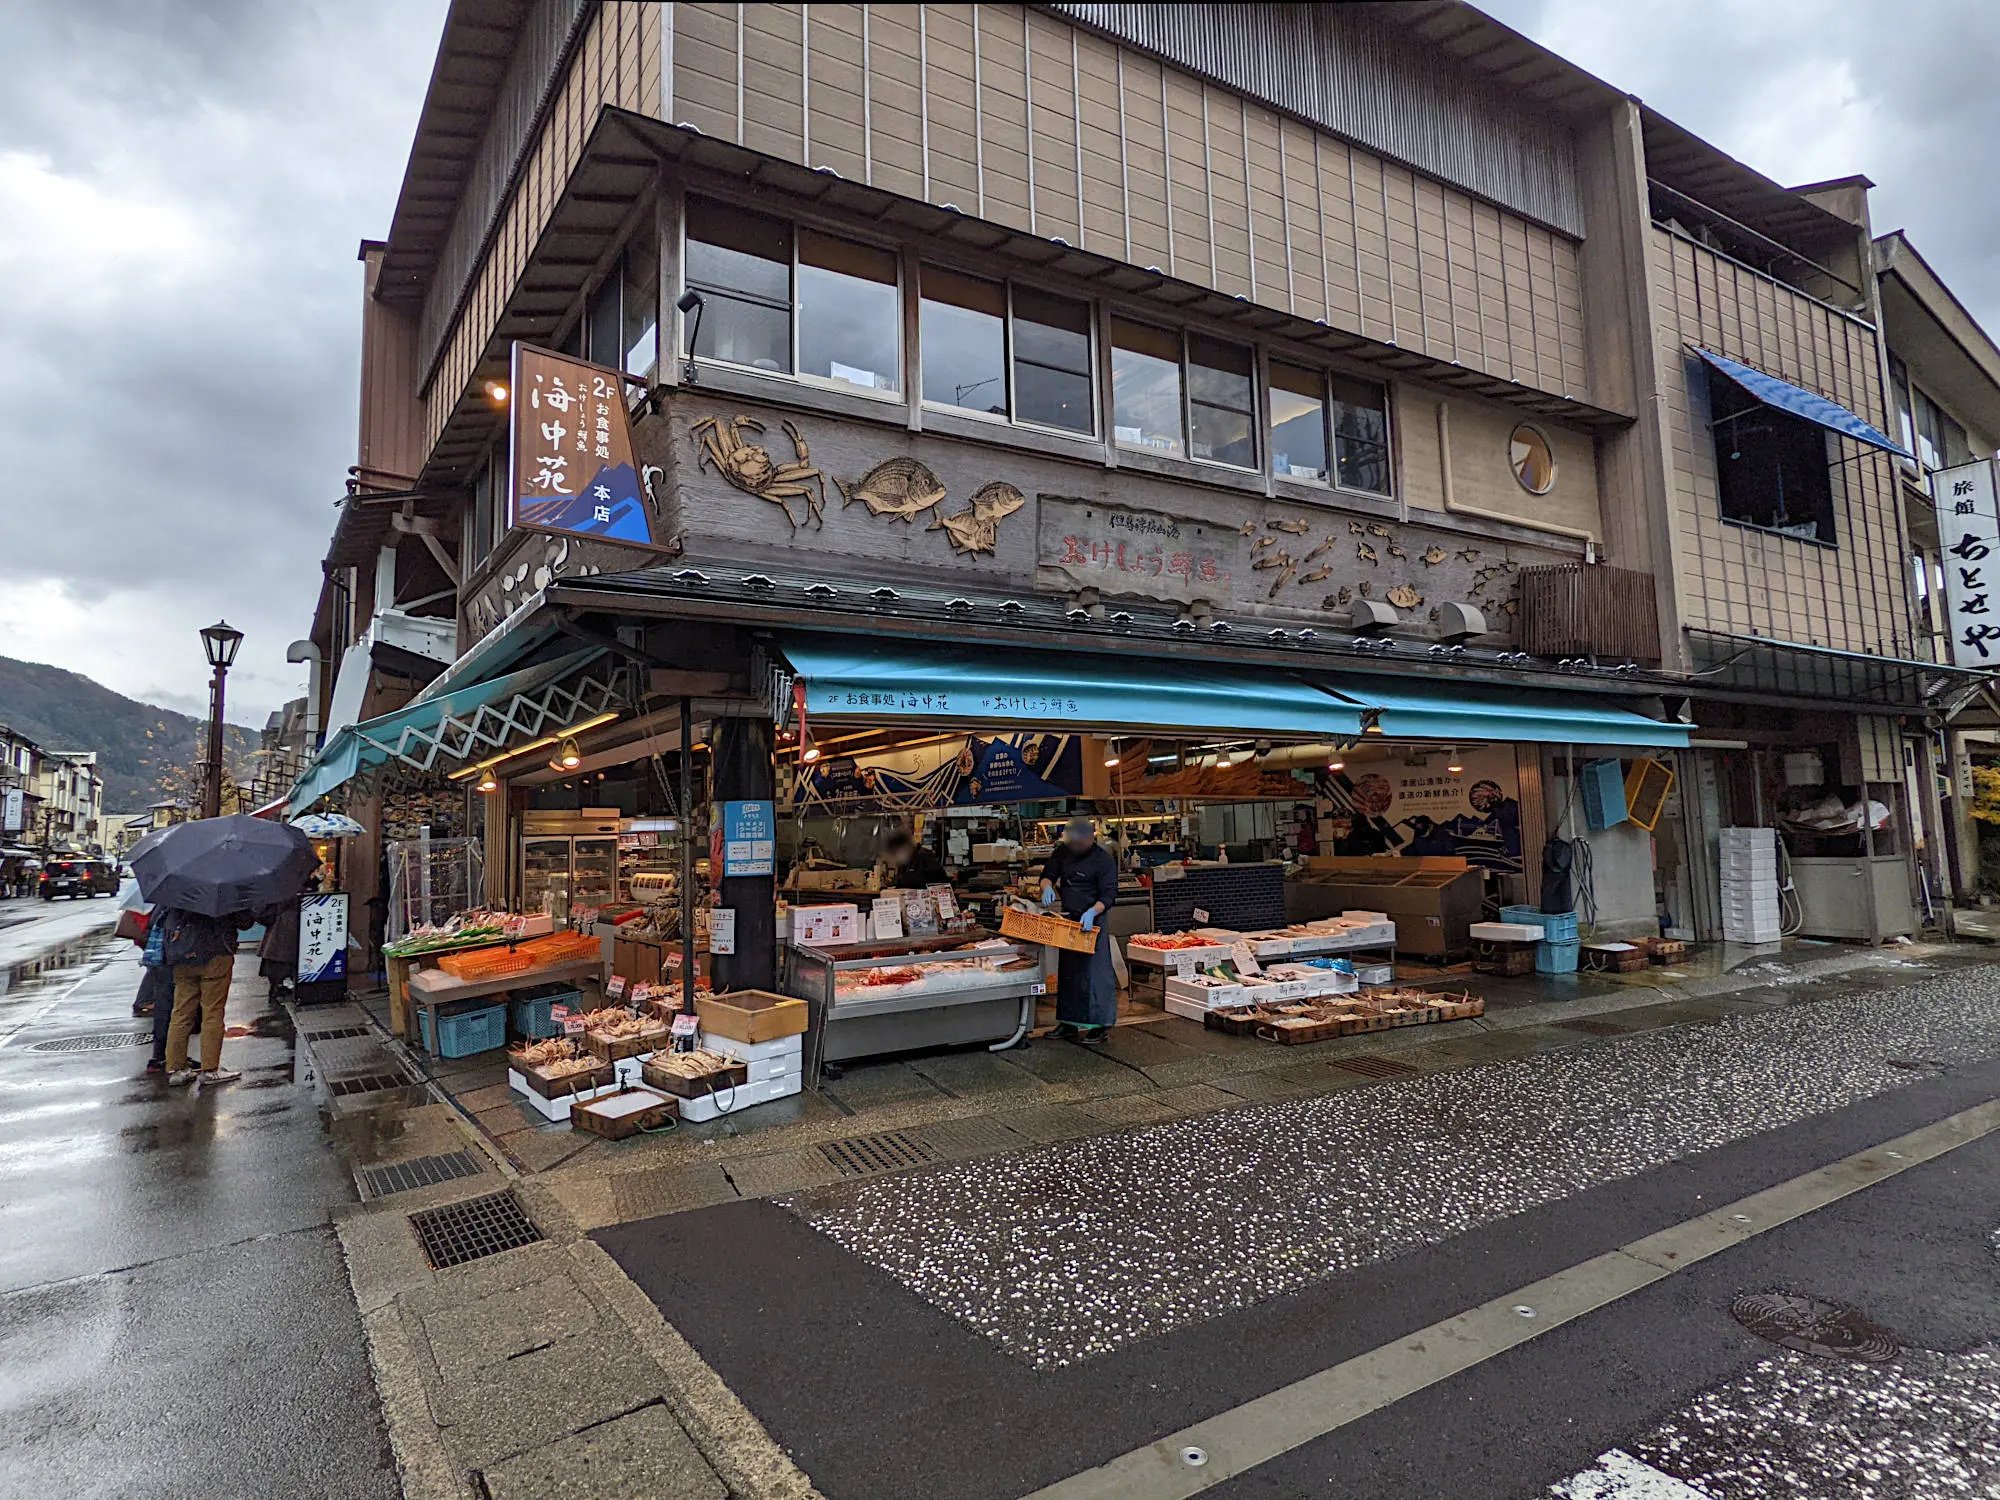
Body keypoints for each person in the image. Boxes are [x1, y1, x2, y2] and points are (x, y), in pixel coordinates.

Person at [1039, 815, 1120, 1044]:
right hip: (1070, 919)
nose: (1074, 846)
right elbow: (1048, 875)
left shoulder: (1102, 860)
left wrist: (1093, 911)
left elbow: (1109, 895)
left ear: (1089, 839)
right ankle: (1068, 1023)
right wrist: (1047, 887)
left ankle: (1100, 1026)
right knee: (1070, 972)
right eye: (1071, 842)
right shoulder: (1063, 852)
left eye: (1078, 843)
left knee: (1095, 973)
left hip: (1093, 920)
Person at [159, 905, 253, 1086]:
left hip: (182, 955)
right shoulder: (222, 889)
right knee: (213, 1012)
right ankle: (210, 1069)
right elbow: (245, 921)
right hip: (215, 953)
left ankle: (177, 1069)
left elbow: (160, 918)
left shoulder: (176, 889)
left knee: (181, 1012)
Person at [256, 897, 300, 1004]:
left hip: (277, 932)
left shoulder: (278, 888)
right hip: (284, 929)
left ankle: (277, 989)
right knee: (282, 965)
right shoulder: (289, 890)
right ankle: (279, 990)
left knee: (277, 965)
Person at [882, 827, 949, 890]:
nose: (896, 853)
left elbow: (937, 882)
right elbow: (900, 880)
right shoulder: (905, 860)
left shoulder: (925, 856)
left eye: (897, 850)